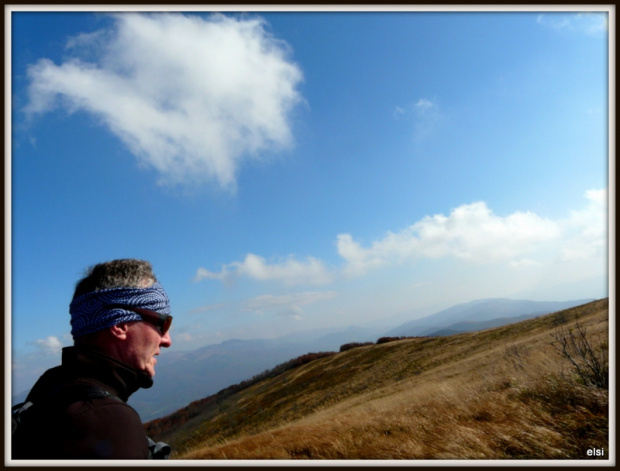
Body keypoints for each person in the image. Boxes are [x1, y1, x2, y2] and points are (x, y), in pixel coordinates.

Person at [12, 259, 173, 459]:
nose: (167, 340)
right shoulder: (107, 421)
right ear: (120, 324)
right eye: (163, 323)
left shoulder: (52, 385)